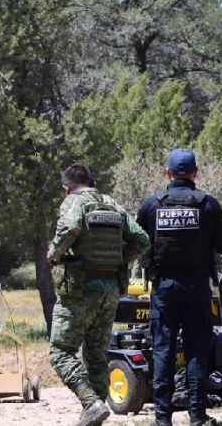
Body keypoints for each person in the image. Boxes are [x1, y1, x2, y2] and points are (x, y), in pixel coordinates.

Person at [47, 164, 150, 426]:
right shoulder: (112, 204)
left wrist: (54, 253)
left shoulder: (73, 201)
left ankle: (90, 402)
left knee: (60, 352)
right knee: (96, 354)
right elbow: (141, 239)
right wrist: (119, 260)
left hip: (80, 289)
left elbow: (69, 228)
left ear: (66, 188)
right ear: (92, 181)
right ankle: (96, 413)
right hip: (110, 289)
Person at [136, 148, 222, 426]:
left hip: (164, 287)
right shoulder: (208, 204)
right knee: (196, 351)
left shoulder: (152, 204)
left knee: (163, 350)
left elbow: (138, 242)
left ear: (168, 173)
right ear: (195, 173)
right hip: (196, 287)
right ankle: (197, 417)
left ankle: (162, 419)